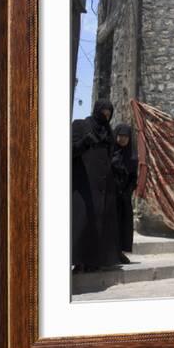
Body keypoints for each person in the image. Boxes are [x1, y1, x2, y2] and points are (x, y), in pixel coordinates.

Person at [72, 98, 121, 273]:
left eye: (109, 113)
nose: (106, 116)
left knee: (100, 223)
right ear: (96, 110)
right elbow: (69, 151)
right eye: (103, 112)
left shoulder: (108, 132)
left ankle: (95, 261)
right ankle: (79, 261)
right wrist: (84, 143)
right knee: (82, 222)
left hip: (104, 184)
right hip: (84, 182)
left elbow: (111, 155)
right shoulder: (80, 125)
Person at [111, 124, 138, 263]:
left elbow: (134, 177)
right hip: (109, 196)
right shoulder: (109, 152)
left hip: (124, 197)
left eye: (126, 136)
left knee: (123, 225)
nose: (123, 139)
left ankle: (120, 252)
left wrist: (128, 191)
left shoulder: (132, 156)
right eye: (121, 136)